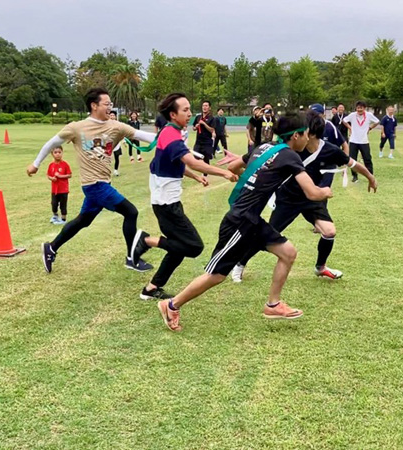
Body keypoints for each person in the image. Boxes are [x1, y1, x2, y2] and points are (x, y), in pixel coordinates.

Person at [152, 113, 333, 332]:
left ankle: (273, 305)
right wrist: (326, 191)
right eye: (306, 134)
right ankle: (171, 305)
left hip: (252, 219)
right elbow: (312, 193)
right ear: (296, 136)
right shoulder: (290, 156)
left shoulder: (265, 147)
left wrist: (253, 179)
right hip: (240, 221)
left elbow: (234, 167)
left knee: (288, 253)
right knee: (216, 275)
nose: (307, 139)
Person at [231, 110, 377, 283]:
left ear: (312, 133)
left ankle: (320, 267)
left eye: (305, 129)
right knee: (268, 235)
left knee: (329, 231)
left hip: (312, 200)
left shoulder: (329, 150)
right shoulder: (289, 149)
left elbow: (353, 164)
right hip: (288, 199)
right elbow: (254, 161)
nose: (302, 133)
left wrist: (371, 177)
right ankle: (240, 264)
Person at [26, 87, 156, 274]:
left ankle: (51, 248)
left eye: (111, 104)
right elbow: (51, 144)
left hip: (103, 184)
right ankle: (131, 258)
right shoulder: (77, 128)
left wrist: (169, 137)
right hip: (95, 185)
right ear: (94, 106)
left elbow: (143, 136)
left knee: (83, 221)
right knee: (131, 212)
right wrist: (36, 164)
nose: (110, 107)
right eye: (106, 104)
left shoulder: (116, 126)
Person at [132, 93, 239, 300]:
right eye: (185, 110)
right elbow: (192, 161)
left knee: (178, 247)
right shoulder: (171, 135)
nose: (190, 113)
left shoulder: (170, 132)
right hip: (166, 204)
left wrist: (196, 178)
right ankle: (146, 240)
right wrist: (224, 173)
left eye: (190, 109)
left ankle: (151, 289)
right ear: (173, 114)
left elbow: (176, 164)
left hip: (167, 201)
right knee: (194, 246)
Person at [309, 103, 348, 187]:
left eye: (316, 115)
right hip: (312, 163)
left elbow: (345, 145)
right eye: (312, 115)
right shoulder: (307, 128)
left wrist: (345, 164)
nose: (314, 118)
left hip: (328, 165)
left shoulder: (330, 127)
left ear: (323, 115)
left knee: (323, 189)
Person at [343, 101, 380, 183]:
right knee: (353, 160)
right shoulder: (352, 115)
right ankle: (354, 176)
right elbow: (344, 121)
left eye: (361, 108)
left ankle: (370, 175)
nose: (359, 110)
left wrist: (370, 128)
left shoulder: (369, 115)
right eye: (358, 108)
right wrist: (350, 127)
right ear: (356, 108)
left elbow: (377, 121)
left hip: (364, 141)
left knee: (367, 159)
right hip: (353, 141)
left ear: (364, 108)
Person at [47, 146, 72, 225]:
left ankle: (63, 219)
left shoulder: (65, 164)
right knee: (54, 203)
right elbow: (48, 175)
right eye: (55, 152)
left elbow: (69, 175)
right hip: (54, 189)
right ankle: (55, 216)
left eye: (59, 152)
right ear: (52, 154)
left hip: (63, 189)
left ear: (62, 153)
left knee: (63, 204)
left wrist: (60, 176)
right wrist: (51, 178)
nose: (57, 154)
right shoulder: (51, 165)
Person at [192, 100, 216, 170]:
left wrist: (204, 124)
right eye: (203, 106)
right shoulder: (198, 117)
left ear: (209, 108)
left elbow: (212, 130)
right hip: (198, 141)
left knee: (206, 159)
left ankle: (205, 174)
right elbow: (193, 128)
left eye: (206, 106)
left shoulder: (212, 118)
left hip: (207, 142)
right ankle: (202, 170)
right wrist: (195, 127)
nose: (204, 107)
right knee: (196, 157)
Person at [109, 111, 123, 176]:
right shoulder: (106, 124)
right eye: (111, 115)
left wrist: (124, 141)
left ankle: (116, 170)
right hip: (108, 143)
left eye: (113, 115)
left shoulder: (118, 124)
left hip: (117, 143)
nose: (112, 117)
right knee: (107, 158)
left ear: (115, 116)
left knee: (116, 157)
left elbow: (122, 133)